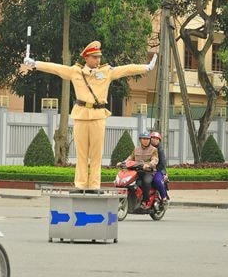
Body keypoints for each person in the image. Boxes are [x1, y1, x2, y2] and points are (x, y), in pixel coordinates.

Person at [24, 40, 157, 190]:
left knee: (96, 154)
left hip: (98, 115)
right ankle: (80, 184)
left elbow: (126, 69)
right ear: (86, 58)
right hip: (81, 115)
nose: (98, 60)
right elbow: (57, 68)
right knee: (81, 154)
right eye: (94, 57)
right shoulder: (76, 71)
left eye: (99, 57)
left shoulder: (106, 71)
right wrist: (35, 64)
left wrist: (146, 67)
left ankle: (94, 185)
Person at [119, 132, 158, 209]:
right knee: (130, 182)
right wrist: (123, 162)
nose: (145, 141)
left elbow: (155, 159)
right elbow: (130, 158)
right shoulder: (136, 149)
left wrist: (149, 164)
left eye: (147, 139)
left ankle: (145, 201)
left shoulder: (153, 149)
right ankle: (133, 198)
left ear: (149, 140)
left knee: (146, 182)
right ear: (140, 140)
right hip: (137, 171)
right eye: (143, 139)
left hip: (148, 171)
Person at [149, 131, 169, 203]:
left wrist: (154, 169)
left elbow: (162, 163)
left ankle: (164, 197)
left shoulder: (160, 150)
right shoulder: (146, 148)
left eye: (157, 139)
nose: (154, 140)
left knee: (157, 181)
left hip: (159, 170)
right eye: (153, 138)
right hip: (147, 169)